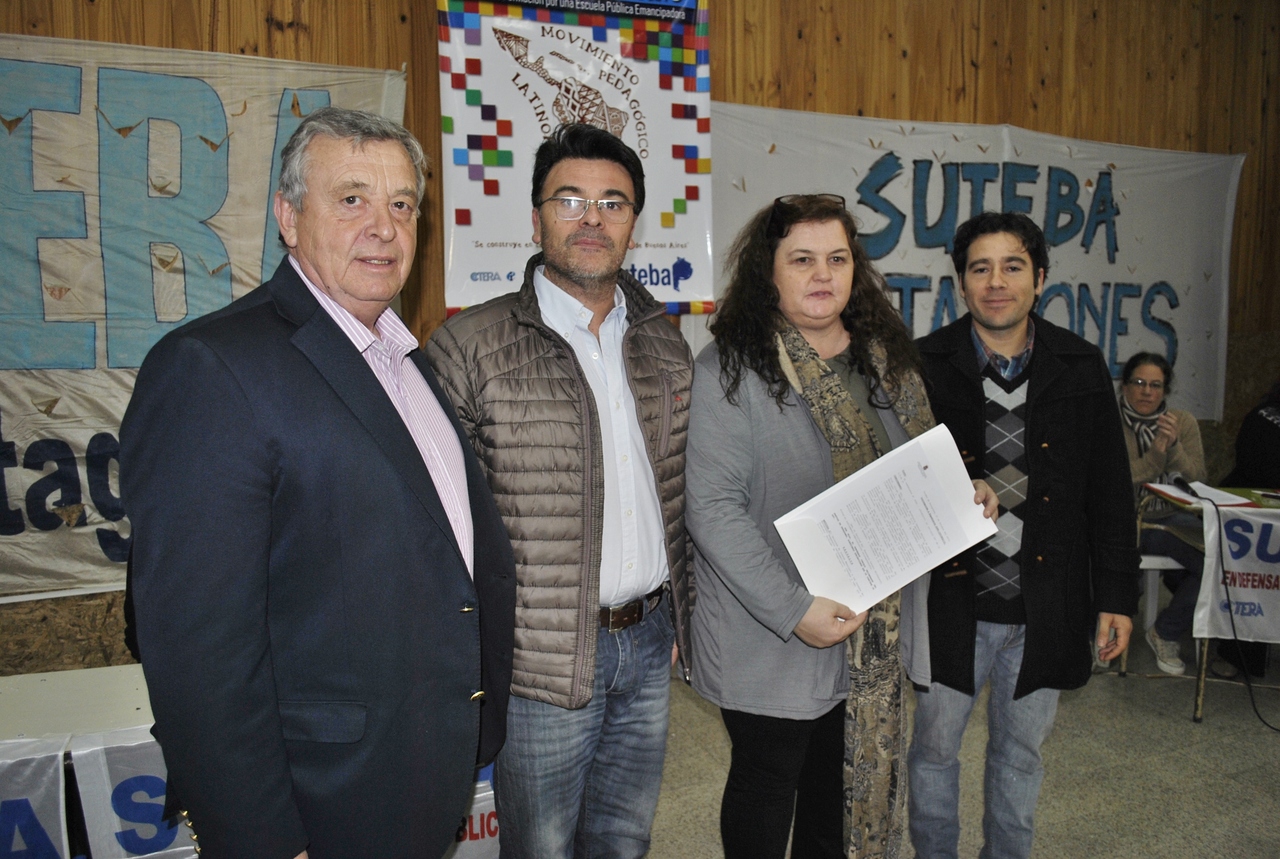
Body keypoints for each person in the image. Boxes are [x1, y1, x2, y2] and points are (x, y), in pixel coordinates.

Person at [120, 107, 517, 859]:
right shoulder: (212, 368)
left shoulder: (407, 360)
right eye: (351, 199)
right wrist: (264, 840)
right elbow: (198, 654)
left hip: (418, 770)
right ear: (288, 217)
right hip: (319, 802)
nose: (384, 227)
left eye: (402, 204)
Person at [685, 194, 996, 859]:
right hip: (771, 629)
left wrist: (963, 494)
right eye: (802, 260)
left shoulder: (889, 361)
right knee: (768, 789)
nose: (823, 274)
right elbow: (712, 509)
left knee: (837, 800)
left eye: (837, 258)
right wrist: (794, 609)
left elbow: (918, 469)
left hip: (871, 635)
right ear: (768, 271)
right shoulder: (730, 369)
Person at [426, 122, 693, 858]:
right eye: (570, 199)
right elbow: (436, 530)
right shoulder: (470, 347)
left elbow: (678, 489)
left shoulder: (664, 339)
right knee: (541, 847)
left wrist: (680, 612)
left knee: (624, 840)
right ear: (536, 217)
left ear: (634, 223)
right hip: (538, 659)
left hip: (649, 642)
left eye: (613, 203)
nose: (591, 219)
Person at [908, 211, 1139, 859]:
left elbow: (1110, 493)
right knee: (934, 751)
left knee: (1020, 755)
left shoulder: (1080, 365)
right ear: (960, 283)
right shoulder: (923, 364)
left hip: (1046, 606)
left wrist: (1116, 596)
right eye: (979, 268)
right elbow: (896, 481)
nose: (995, 282)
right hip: (949, 604)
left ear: (1039, 279)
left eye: (1012, 266)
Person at [1117, 352, 1207, 675]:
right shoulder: (1108, 421)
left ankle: (1165, 631)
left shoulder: (1182, 422)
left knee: (1220, 559)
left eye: (1155, 385)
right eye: (1139, 382)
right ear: (1124, 386)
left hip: (1171, 518)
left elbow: (1198, 480)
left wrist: (1174, 446)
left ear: (1165, 390)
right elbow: (1114, 479)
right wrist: (1156, 454)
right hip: (1123, 520)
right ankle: (1103, 629)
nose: (1147, 392)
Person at [1216, 378, 1280, 677]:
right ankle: (1239, 655)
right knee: (1252, 574)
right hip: (1248, 516)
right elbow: (1255, 470)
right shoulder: (1264, 417)